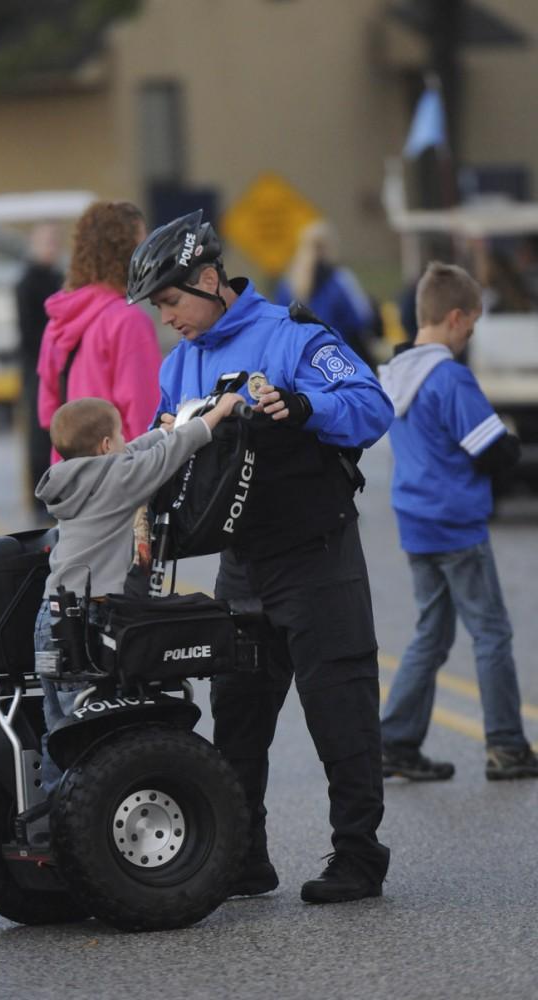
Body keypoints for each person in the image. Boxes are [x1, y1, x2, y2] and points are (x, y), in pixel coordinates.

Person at [127, 210, 394, 905]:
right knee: (237, 724)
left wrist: (303, 405)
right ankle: (244, 858)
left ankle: (358, 860)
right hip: (240, 565)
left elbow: (371, 404)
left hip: (316, 557)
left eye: (172, 301)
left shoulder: (292, 334)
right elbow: (160, 452)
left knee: (341, 716)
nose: (168, 319)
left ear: (210, 280)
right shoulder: (178, 363)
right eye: (159, 308)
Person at [34, 391, 244, 790]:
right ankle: (78, 817)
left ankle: (47, 816)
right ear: (105, 445)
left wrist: (157, 433)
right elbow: (165, 459)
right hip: (85, 618)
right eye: (119, 435)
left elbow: (130, 457)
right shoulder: (116, 479)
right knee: (87, 730)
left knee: (59, 728)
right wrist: (216, 414)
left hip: (51, 616)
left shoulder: (73, 479)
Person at [377, 261, 538, 782]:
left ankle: (396, 741)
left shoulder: (396, 371)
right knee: (491, 633)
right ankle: (507, 746)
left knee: (432, 632)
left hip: (416, 521)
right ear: (452, 318)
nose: (471, 334)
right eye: (471, 324)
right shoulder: (449, 377)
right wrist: (516, 444)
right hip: (457, 523)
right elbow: (494, 452)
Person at [36, 200, 161, 465]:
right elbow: (146, 418)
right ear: (128, 253)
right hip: (118, 480)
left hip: (68, 482)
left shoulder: (59, 320)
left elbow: (48, 414)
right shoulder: (129, 322)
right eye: (144, 245)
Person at [275, 220, 379, 369]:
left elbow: (280, 323)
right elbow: (361, 318)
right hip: (339, 359)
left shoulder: (287, 284)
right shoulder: (340, 279)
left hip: (299, 361)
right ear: (330, 247)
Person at [15, 223, 64, 514]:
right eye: (44, 241)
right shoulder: (26, 283)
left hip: (59, 364)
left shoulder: (59, 279)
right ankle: (38, 498)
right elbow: (28, 332)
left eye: (53, 241)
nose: (50, 247)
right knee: (38, 432)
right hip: (36, 365)